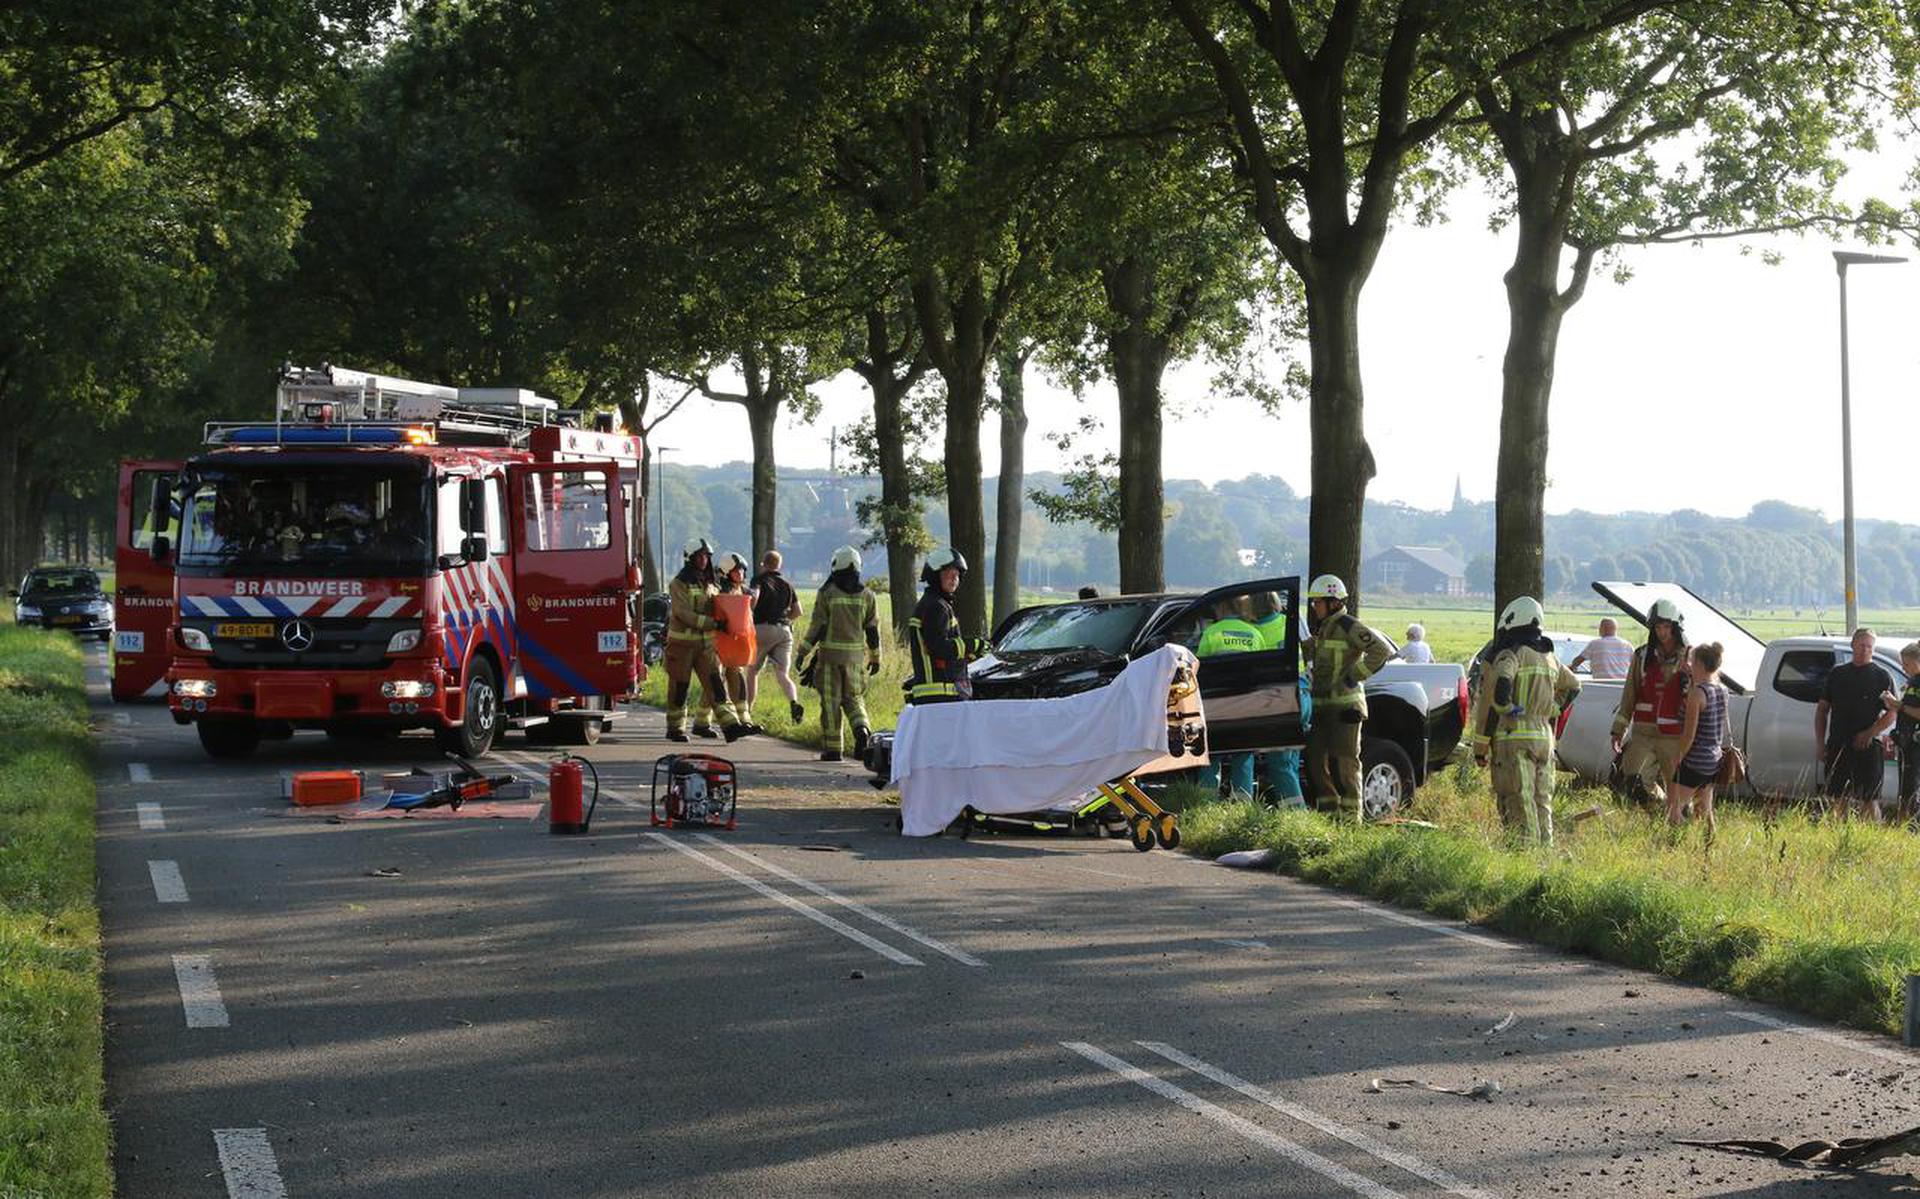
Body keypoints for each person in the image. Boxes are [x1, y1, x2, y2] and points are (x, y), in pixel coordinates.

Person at [1469, 596, 1580, 844]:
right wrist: (1554, 709)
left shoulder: (1511, 654)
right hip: (1544, 740)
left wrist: (1481, 745)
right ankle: (1545, 852)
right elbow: (1574, 685)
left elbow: (1497, 693)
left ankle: (1526, 854)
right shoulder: (1550, 658)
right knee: (1543, 800)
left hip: (1514, 737)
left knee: (1519, 799)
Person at [1303, 574, 1389, 819]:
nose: (1314, 606)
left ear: (1333, 601)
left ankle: (1352, 818)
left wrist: (1354, 675)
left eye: (1317, 602)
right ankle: (1329, 813)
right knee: (1315, 761)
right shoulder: (1323, 629)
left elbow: (1380, 650)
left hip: (1345, 708)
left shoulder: (1348, 626)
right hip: (1321, 708)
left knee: (1345, 764)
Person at [796, 546, 881, 762]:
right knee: (854, 699)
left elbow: (818, 626)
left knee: (831, 703)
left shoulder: (827, 593)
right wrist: (875, 657)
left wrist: (802, 652)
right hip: (855, 661)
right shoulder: (868, 595)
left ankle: (834, 750)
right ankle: (862, 729)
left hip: (829, 659)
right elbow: (872, 630)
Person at [663, 537, 748, 743]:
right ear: (690, 558)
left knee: (716, 686)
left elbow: (719, 607)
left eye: (707, 556)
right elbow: (684, 614)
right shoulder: (678, 584)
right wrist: (714, 623)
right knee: (679, 688)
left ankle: (731, 726)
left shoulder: (711, 584)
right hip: (681, 646)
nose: (704, 560)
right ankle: (675, 729)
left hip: (706, 646)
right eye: (700, 556)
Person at [1609, 598, 1690, 806]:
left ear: (1676, 627)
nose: (1662, 632)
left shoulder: (1690, 657)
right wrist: (1618, 730)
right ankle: (1659, 808)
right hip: (1643, 734)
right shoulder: (1642, 655)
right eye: (1657, 627)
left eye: (1666, 627)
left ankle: (1676, 825)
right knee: (1633, 783)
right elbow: (1629, 695)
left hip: (1674, 737)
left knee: (1679, 790)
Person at [1816, 627, 1895, 821]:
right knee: (1836, 797)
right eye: (1862, 645)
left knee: (1869, 799)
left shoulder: (1881, 676)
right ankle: (1837, 836)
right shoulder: (1837, 674)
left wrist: (1870, 733)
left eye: (1870, 646)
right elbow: (1822, 710)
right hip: (1838, 744)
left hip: (1867, 747)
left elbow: (1892, 713)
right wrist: (1820, 744)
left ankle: (1869, 839)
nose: (1866, 650)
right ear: (1852, 645)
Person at [1194, 597, 1261, 798]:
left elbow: (1198, 668)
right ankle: (1242, 806)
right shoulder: (1254, 633)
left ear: (1223, 606)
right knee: (1243, 755)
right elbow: (1261, 670)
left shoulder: (1212, 632)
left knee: (1211, 754)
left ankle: (1206, 805)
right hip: (1245, 703)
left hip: (1217, 702)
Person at [1249, 590, 1309, 807]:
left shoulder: (1254, 631)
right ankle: (1291, 812)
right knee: (1289, 764)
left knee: (1281, 765)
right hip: (1302, 696)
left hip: (1283, 700)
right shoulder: (1288, 623)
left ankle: (1297, 816)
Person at [906, 547, 987, 705]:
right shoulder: (936, 606)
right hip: (938, 692)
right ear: (935, 576)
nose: (954, 580)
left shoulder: (936, 604)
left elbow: (943, 646)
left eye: (957, 576)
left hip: (937, 692)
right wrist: (973, 644)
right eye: (949, 575)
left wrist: (966, 656)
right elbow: (939, 647)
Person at [1670, 642, 1728, 840]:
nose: (1689, 665)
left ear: (1701, 666)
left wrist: (1678, 756)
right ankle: (1710, 841)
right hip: (1714, 759)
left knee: (1676, 807)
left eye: (1692, 662)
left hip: (1696, 760)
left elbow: (1689, 735)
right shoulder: (1721, 690)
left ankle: (1673, 843)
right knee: (1705, 806)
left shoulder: (1697, 694)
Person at [747, 550, 806, 724]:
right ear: (779, 566)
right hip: (784, 632)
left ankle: (748, 712)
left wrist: (748, 611)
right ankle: (794, 702)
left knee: (752, 671)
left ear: (763, 564)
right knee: (782, 673)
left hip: (762, 629)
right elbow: (798, 611)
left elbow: (754, 598)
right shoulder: (788, 585)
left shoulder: (758, 580)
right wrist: (784, 619)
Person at [712, 552, 760, 734]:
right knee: (715, 680)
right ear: (726, 572)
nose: (740, 574)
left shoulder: (743, 591)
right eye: (735, 570)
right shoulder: (718, 592)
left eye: (741, 570)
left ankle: (745, 719)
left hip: (736, 642)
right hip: (719, 641)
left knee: (736, 678)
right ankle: (703, 722)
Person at [1888, 642, 1920, 825]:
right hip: (1906, 742)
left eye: (1906, 664)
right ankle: (1903, 822)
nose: (1903, 668)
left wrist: (1897, 704)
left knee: (1910, 788)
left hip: (1916, 744)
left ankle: (1907, 825)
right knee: (1905, 786)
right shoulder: (1912, 682)